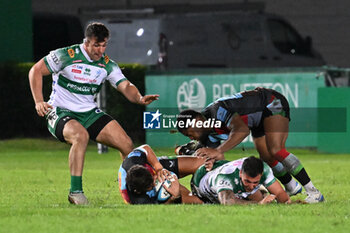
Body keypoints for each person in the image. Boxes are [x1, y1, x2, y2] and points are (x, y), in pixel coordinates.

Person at [28, 22, 159, 205]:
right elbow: (35, 70)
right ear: (86, 42)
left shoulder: (106, 64)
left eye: (104, 45)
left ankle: (133, 192)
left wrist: (138, 97)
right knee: (80, 136)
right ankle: (76, 193)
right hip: (59, 111)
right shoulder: (66, 55)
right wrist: (38, 101)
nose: (100, 50)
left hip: (89, 113)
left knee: (126, 144)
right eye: (96, 45)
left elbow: (125, 85)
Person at [176, 87, 324, 203]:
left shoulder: (217, 112)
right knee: (266, 156)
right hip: (258, 118)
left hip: (271, 102)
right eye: (188, 136)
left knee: (276, 149)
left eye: (190, 133)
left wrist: (219, 151)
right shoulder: (207, 133)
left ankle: (313, 192)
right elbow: (213, 159)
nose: (191, 137)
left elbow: (242, 130)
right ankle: (291, 187)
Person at [119, 144, 206, 204]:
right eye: (152, 186)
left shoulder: (132, 160)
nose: (156, 181)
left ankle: (188, 153)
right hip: (158, 190)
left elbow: (146, 148)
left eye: (153, 179)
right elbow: (161, 206)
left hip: (156, 166)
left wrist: (158, 168)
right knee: (200, 202)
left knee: (203, 162)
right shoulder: (138, 200)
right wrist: (175, 196)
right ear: (138, 192)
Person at [191, 156, 290, 205]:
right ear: (240, 173)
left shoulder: (264, 169)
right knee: (256, 200)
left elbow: (280, 194)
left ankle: (260, 192)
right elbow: (228, 202)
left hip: (228, 172)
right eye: (247, 181)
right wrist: (260, 204)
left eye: (255, 182)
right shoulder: (225, 176)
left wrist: (287, 204)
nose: (251, 186)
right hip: (200, 183)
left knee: (256, 197)